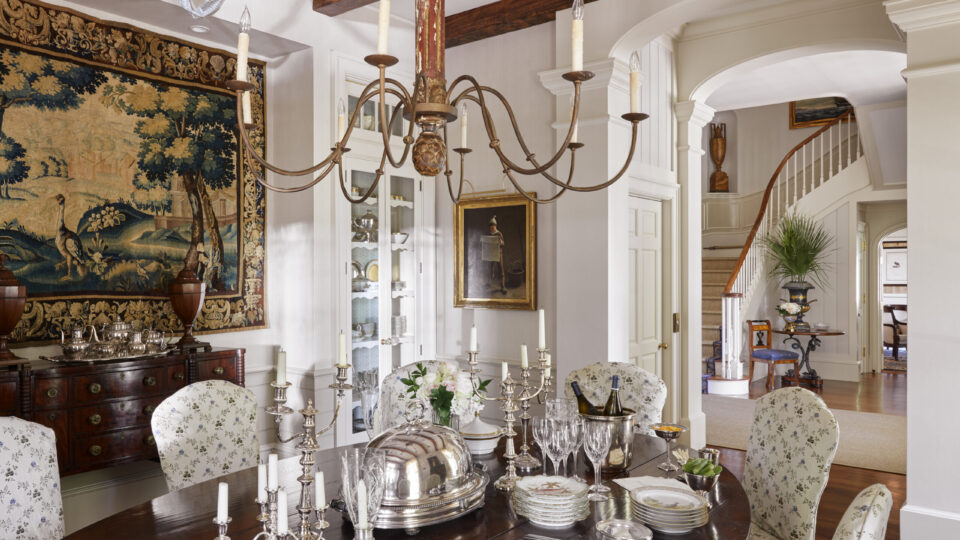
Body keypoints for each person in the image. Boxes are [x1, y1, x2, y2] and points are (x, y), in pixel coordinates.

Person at [487, 216, 506, 294]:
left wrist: (500, 241)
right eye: (490, 226)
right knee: (491, 270)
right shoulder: (489, 234)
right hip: (491, 254)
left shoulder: (499, 233)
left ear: (495, 226)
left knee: (501, 271)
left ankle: (503, 287)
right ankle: (489, 283)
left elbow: (503, 244)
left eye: (493, 226)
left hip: (498, 254)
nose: (492, 228)